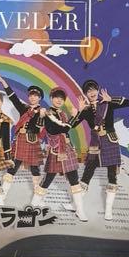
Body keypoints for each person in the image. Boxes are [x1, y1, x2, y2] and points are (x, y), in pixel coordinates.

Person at [71, 79, 129, 221]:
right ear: (85, 94)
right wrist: (78, 112)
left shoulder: (107, 104)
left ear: (97, 91)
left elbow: (128, 102)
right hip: (95, 143)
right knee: (88, 172)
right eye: (88, 91)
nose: (91, 92)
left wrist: (111, 99)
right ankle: (75, 205)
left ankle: (108, 210)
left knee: (112, 174)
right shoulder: (86, 110)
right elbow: (71, 125)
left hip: (110, 141)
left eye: (93, 89)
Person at [37, 89, 88, 220]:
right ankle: (34, 203)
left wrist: (79, 112)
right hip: (56, 149)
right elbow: (60, 128)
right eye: (56, 97)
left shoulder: (63, 114)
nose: (59, 100)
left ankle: (80, 210)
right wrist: (74, 116)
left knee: (74, 179)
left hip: (66, 148)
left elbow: (70, 126)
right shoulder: (48, 113)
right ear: (51, 98)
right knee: (48, 178)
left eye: (62, 98)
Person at [0, 76, 47, 199]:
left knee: (35, 169)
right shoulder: (24, 108)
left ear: (39, 98)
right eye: (31, 95)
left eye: (35, 96)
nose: (33, 97)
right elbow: (13, 97)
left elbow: (41, 129)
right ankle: (2, 195)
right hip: (20, 140)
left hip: (33, 141)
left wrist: (41, 116)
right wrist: (3, 82)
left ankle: (38, 198)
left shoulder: (43, 111)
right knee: (13, 166)